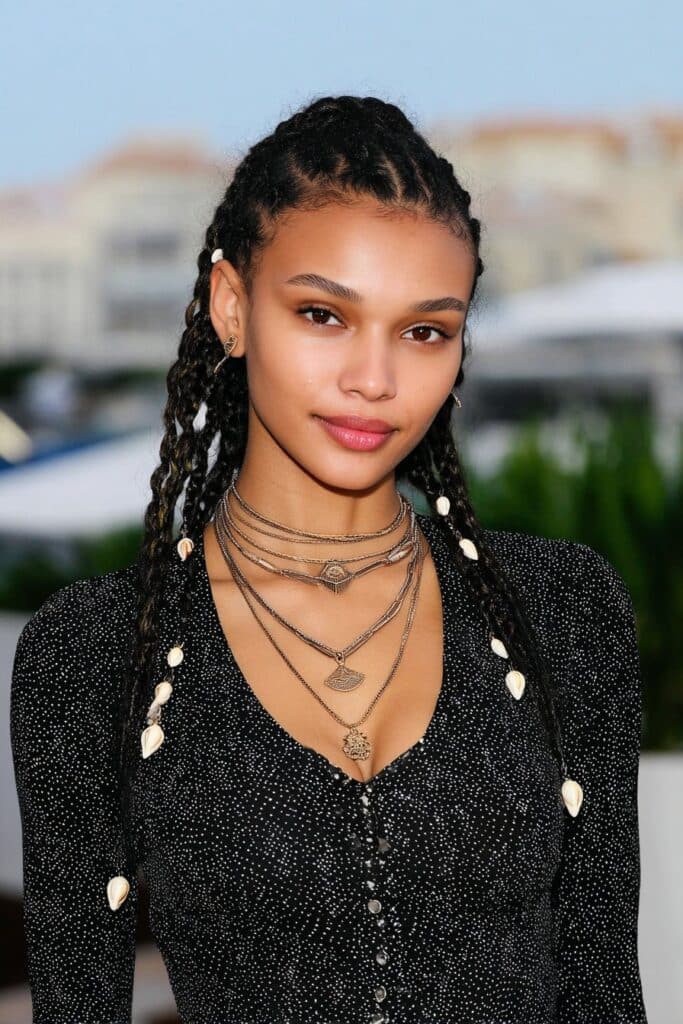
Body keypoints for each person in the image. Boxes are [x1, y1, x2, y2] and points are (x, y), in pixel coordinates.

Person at [10, 94, 648, 1023]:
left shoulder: (561, 608)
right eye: (322, 314)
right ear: (231, 306)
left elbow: (604, 985)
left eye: (424, 330)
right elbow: (78, 1002)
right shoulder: (99, 652)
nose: (375, 379)